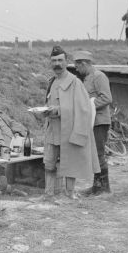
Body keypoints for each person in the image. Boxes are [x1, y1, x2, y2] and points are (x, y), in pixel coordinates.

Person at [34, 46, 100, 200]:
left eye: (60, 60)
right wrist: (46, 111)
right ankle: (48, 194)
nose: (57, 63)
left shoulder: (75, 82)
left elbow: (84, 109)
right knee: (49, 163)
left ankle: (69, 194)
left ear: (66, 62)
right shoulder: (52, 81)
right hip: (52, 130)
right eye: (54, 61)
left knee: (70, 163)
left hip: (68, 130)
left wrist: (59, 110)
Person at [74, 50, 113, 195]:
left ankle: (103, 187)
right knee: (94, 154)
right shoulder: (87, 78)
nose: (76, 69)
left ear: (84, 64)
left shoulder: (99, 76)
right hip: (91, 121)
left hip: (99, 121)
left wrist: (89, 105)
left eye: (77, 66)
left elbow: (107, 98)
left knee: (98, 154)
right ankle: (98, 186)